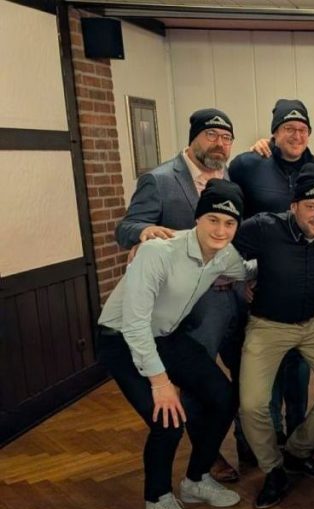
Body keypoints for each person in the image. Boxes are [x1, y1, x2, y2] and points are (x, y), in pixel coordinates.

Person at [97, 180, 248, 509]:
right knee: (167, 419)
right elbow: (135, 325)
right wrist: (160, 382)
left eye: (229, 223)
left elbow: (246, 270)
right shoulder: (156, 252)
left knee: (223, 397)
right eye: (213, 220)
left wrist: (254, 281)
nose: (220, 230)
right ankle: (157, 498)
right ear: (197, 219)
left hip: (167, 335)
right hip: (122, 338)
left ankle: (196, 480)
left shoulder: (226, 255)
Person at [116, 107, 242, 482]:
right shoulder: (159, 180)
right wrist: (144, 233)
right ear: (193, 138)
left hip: (233, 297)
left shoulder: (229, 176)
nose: (219, 144)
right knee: (197, 381)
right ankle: (208, 455)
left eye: (226, 138)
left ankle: (247, 441)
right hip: (190, 307)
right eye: (211, 135)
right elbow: (126, 227)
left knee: (241, 375)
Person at [233, 161, 314, 509]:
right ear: (293, 206)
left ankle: (296, 451)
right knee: (252, 405)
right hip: (268, 325)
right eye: (311, 207)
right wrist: (242, 281)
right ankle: (273, 469)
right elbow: (221, 245)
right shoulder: (263, 227)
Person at [228, 99, 314, 457]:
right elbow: (230, 224)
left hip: (301, 288)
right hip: (257, 284)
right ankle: (263, 440)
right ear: (274, 132)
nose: (296, 135)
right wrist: (241, 276)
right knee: (263, 370)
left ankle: (297, 437)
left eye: (302, 129)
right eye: (288, 128)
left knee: (298, 366)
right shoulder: (248, 165)